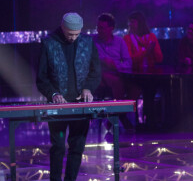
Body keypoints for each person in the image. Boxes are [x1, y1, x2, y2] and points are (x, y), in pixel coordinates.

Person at [36, 12, 101, 181]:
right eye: (70, 34)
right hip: (58, 106)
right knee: (58, 146)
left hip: (80, 105)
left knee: (77, 146)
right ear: (62, 28)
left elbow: (96, 73)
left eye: (76, 34)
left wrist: (88, 88)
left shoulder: (87, 42)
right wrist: (54, 94)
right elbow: (41, 79)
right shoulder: (49, 43)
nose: (73, 38)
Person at [93, 13, 133, 100]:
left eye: (102, 28)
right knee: (117, 82)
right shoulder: (91, 41)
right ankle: (120, 110)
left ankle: (126, 110)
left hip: (118, 73)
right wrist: (102, 62)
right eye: (98, 27)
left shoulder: (120, 42)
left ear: (111, 29)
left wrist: (115, 65)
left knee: (136, 87)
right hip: (99, 74)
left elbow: (129, 63)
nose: (98, 30)